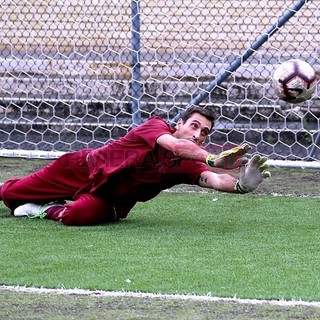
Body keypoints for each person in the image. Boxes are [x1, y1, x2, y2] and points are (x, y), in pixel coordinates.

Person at [0, 106, 270, 226]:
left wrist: (241, 185)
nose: (198, 134)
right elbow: (176, 146)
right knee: (8, 196)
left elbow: (213, 180)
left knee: (75, 216)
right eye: (194, 126)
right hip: (79, 170)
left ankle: (45, 208)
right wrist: (212, 157)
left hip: (108, 200)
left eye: (205, 132)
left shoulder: (187, 165)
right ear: (179, 124)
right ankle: (34, 195)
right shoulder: (155, 127)